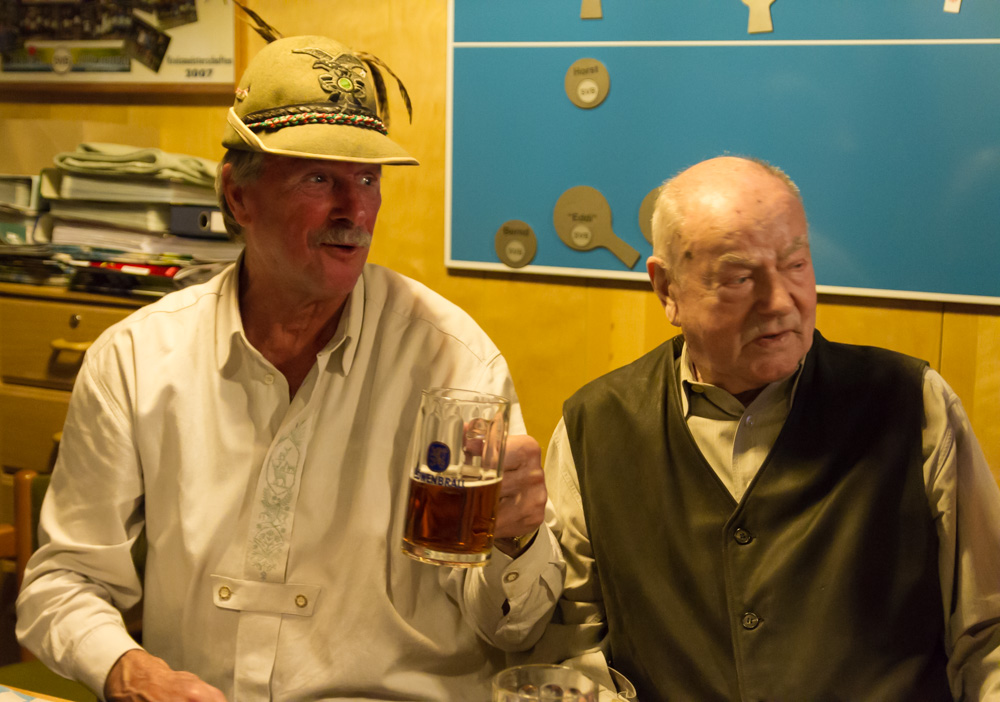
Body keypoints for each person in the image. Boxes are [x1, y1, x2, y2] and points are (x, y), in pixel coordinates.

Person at [16, 35, 564, 701]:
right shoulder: (136, 360)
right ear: (238, 197)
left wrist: (516, 542)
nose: (354, 210)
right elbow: (62, 583)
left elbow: (514, 630)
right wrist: (132, 674)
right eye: (319, 178)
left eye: (368, 179)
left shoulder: (452, 361)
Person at [540, 156, 1000, 701]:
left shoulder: (913, 404)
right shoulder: (595, 429)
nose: (781, 302)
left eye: (796, 264)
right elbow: (574, 651)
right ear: (667, 289)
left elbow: (988, 634)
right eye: (739, 278)